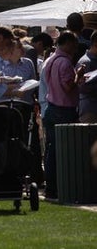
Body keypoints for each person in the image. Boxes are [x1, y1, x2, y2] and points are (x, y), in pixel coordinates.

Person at [42, 32, 80, 200]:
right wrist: (78, 76)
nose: (75, 48)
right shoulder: (64, 62)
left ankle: (51, 187)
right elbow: (67, 87)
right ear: (68, 43)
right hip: (63, 110)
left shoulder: (51, 59)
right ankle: (57, 186)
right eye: (74, 44)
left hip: (51, 108)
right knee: (61, 151)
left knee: (51, 151)